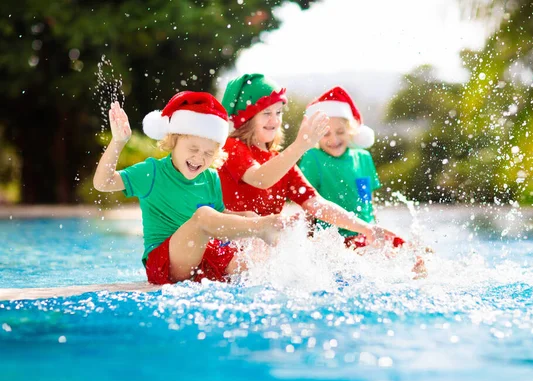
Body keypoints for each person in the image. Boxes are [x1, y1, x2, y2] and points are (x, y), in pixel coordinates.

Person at [93, 91, 293, 285]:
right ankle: (261, 228)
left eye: (208, 153)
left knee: (250, 244)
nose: (199, 158)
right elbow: (103, 183)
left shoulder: (210, 177)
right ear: (173, 141)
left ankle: (289, 263)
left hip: (203, 258)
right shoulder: (152, 172)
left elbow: (220, 216)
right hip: (165, 263)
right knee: (204, 215)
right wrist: (118, 142)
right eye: (193, 149)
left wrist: (248, 217)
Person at [217, 73, 397, 248]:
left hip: (261, 250)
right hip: (230, 244)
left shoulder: (280, 161)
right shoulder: (232, 147)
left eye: (278, 112)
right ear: (247, 117)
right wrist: (300, 145)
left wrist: (364, 228)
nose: (275, 120)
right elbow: (261, 178)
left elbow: (317, 204)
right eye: (266, 113)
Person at [299, 86, 428, 277]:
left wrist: (378, 234)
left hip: (365, 234)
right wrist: (307, 245)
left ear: (351, 131)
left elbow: (368, 203)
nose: (333, 139)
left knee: (416, 259)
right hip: (333, 240)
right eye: (326, 134)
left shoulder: (363, 157)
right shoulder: (313, 158)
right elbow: (307, 205)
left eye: (340, 132)